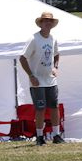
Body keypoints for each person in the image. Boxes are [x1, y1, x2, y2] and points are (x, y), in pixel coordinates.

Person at [19, 11, 63, 145]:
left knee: (54, 107)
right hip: (37, 81)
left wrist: (55, 67)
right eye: (45, 21)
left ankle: (56, 135)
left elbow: (56, 54)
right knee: (40, 109)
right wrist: (31, 75)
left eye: (50, 21)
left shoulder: (53, 39)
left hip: (50, 80)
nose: (48, 23)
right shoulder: (34, 39)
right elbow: (22, 58)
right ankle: (39, 137)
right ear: (41, 23)